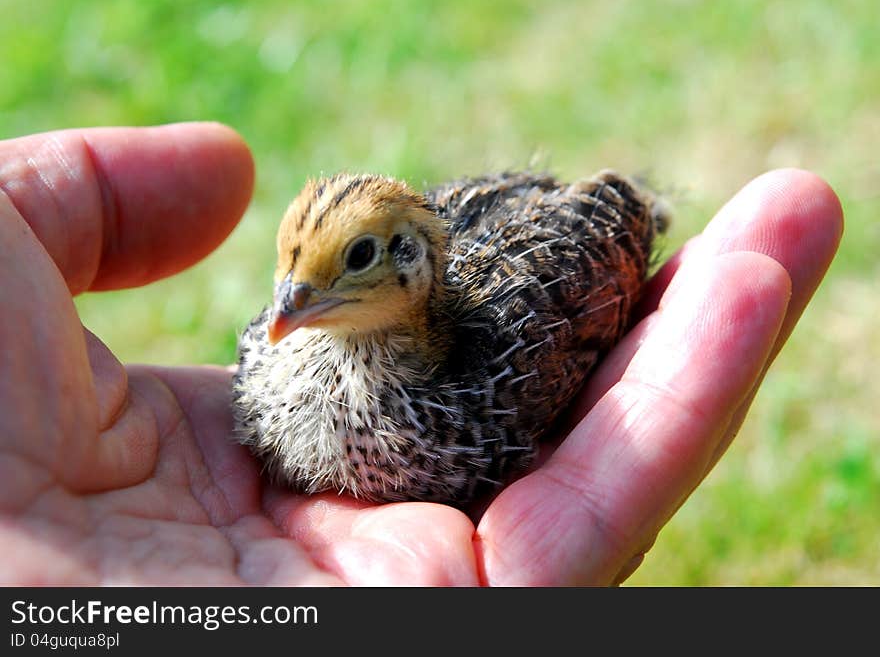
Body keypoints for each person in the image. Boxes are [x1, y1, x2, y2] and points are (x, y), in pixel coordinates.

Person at [0, 123, 842, 586]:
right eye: (291, 278)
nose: (283, 311)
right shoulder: (278, 343)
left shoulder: (503, 358)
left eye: (353, 263)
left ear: (413, 263)